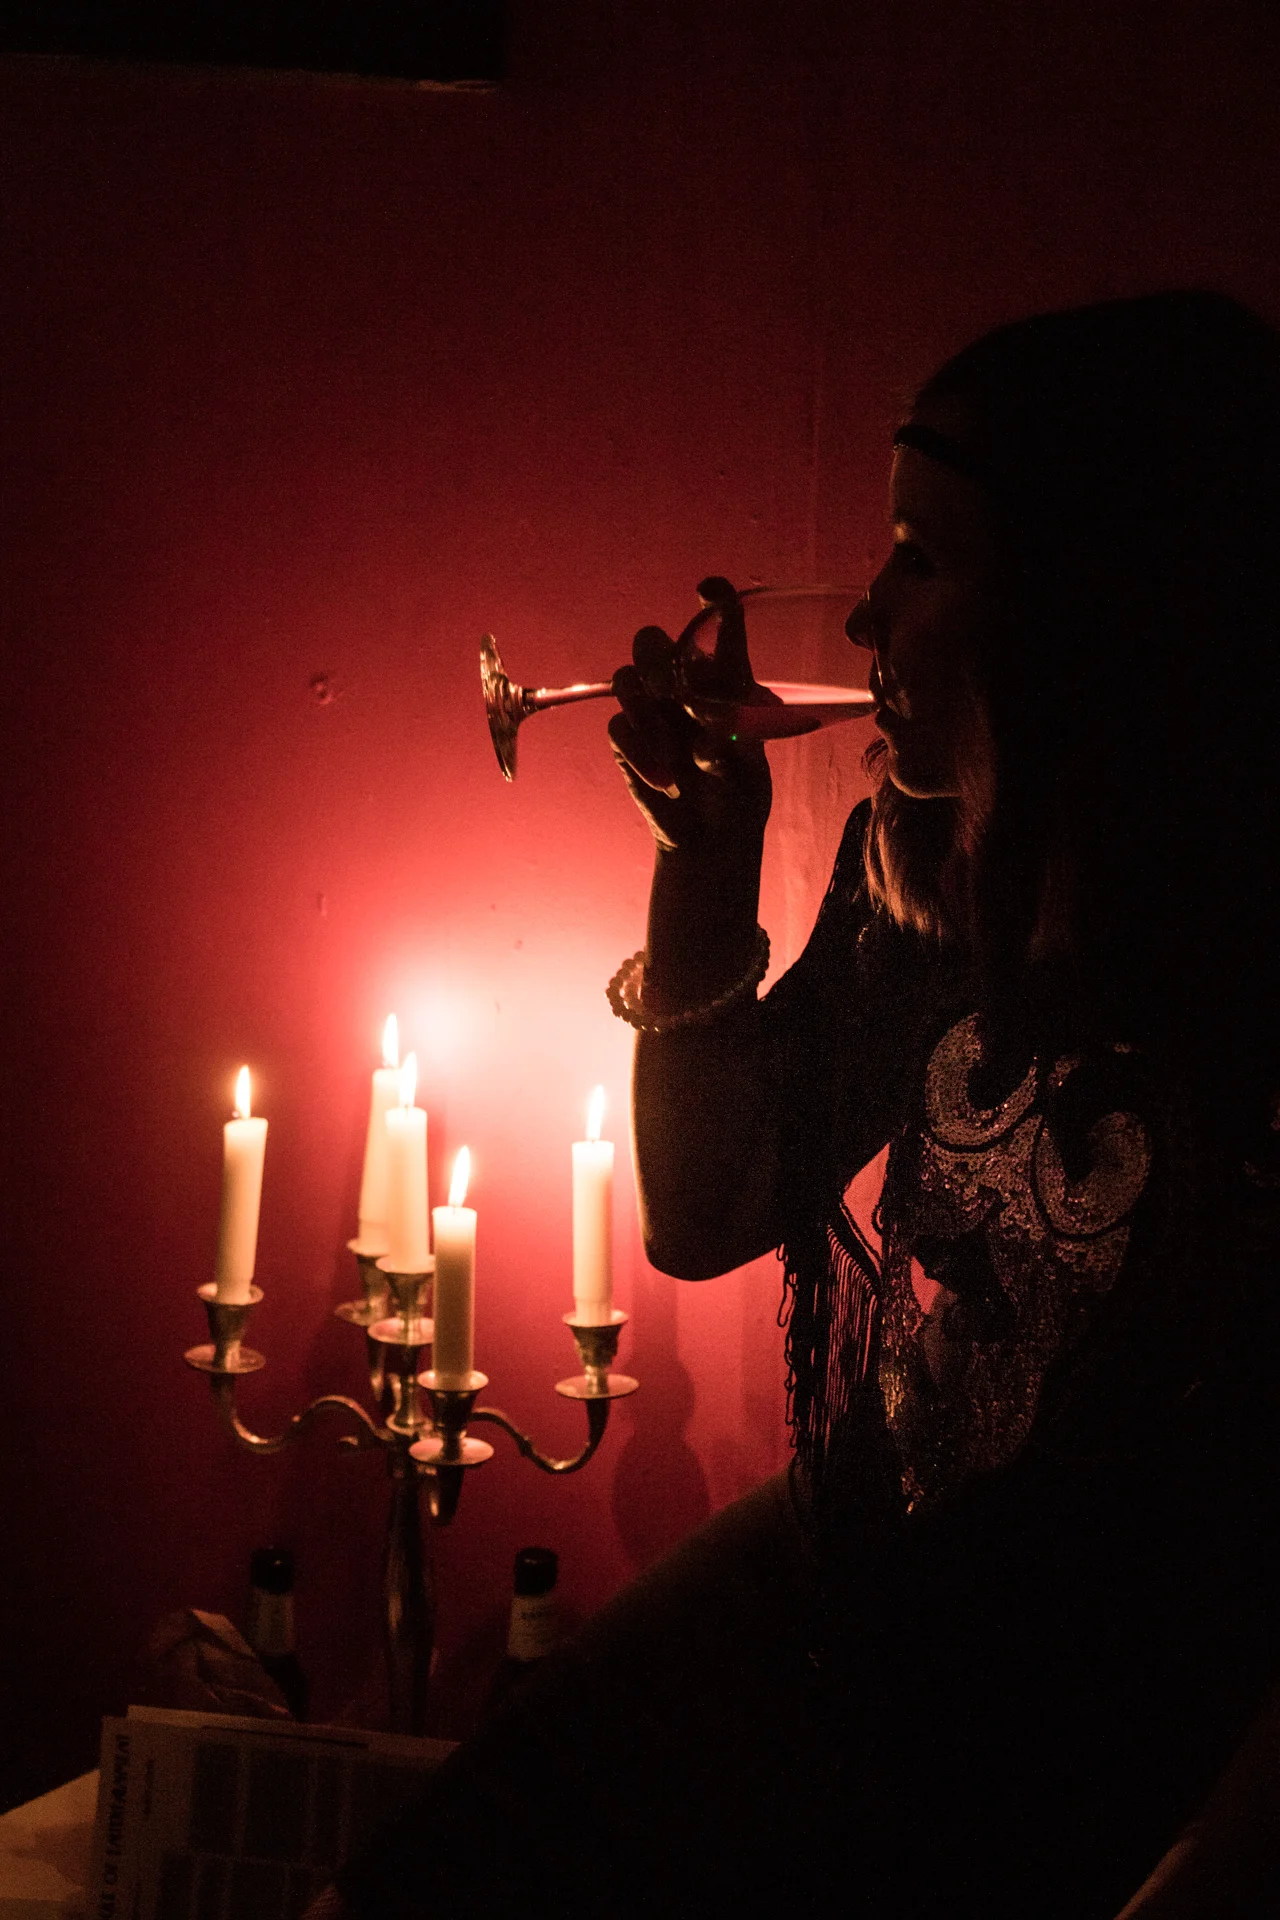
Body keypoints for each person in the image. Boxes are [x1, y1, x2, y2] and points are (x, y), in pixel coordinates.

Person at [331, 292, 1280, 1917]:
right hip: (856, 1579)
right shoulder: (931, 868)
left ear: (1079, 606)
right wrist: (702, 874)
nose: (861, 620)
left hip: (1099, 1713)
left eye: (920, 559)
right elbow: (710, 1210)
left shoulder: (1243, 958)